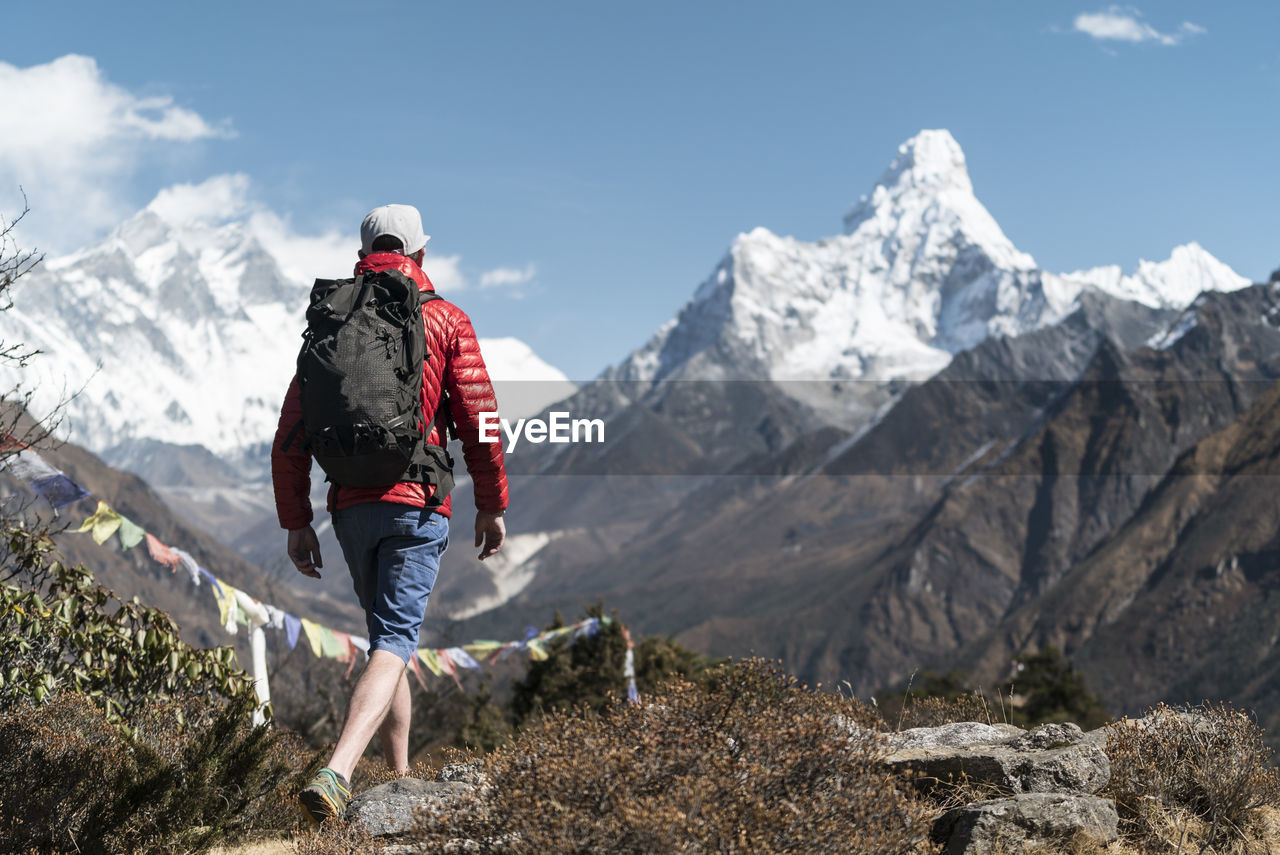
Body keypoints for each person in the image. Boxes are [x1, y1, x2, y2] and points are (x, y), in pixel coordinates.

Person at [271, 203, 508, 824]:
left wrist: (296, 520)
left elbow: (291, 436)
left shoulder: (331, 324)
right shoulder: (446, 319)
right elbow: (481, 421)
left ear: (364, 251)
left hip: (350, 507)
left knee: (386, 640)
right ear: (421, 255)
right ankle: (339, 769)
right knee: (398, 640)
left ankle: (398, 779)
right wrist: (492, 503)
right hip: (417, 503)